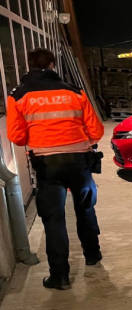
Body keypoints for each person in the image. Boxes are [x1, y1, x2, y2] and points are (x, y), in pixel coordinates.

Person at [6, 48, 104, 290]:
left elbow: (17, 137)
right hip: (80, 162)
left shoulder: (18, 95)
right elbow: (96, 131)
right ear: (52, 65)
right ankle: (93, 255)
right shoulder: (75, 91)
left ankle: (59, 277)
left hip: (47, 166)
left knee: (54, 219)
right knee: (85, 208)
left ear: (29, 65)